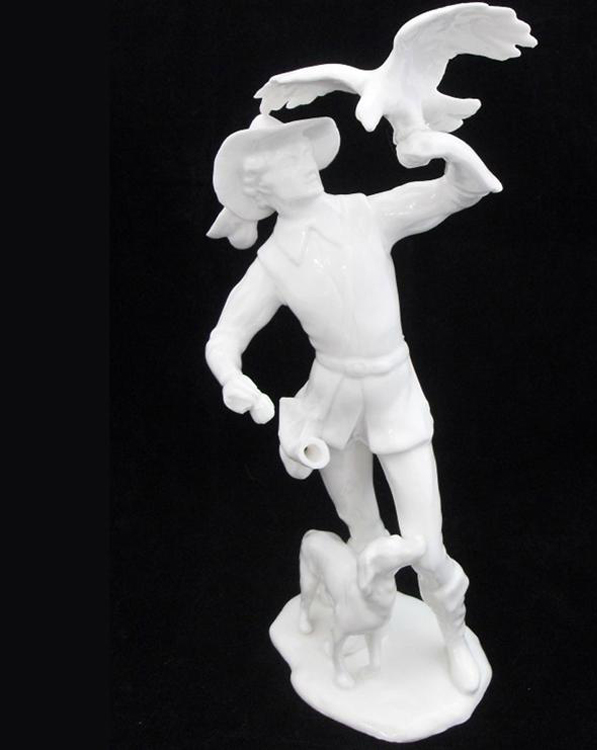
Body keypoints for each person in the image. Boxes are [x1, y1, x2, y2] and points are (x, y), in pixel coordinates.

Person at [205, 113, 501, 694]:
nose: (303, 164)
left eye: (302, 152)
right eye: (286, 161)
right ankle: (371, 637)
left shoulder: (366, 214)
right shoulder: (273, 263)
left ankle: (452, 636)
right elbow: (225, 335)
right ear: (261, 189)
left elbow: (461, 190)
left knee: (427, 545)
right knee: (362, 529)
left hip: (394, 393)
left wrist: (439, 145)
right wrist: (231, 377)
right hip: (333, 404)